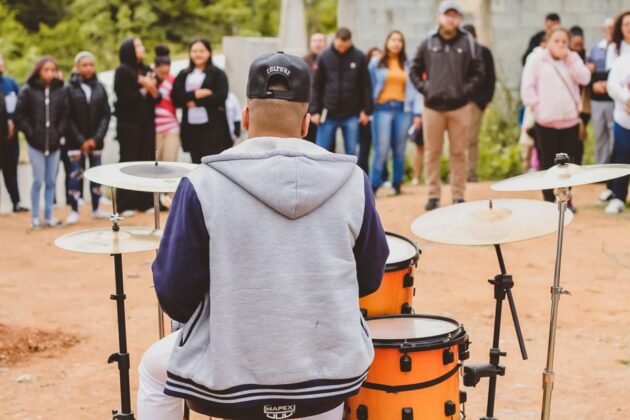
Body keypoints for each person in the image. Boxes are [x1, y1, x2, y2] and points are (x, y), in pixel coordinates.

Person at [136, 51, 389, 420]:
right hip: (327, 381)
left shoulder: (201, 183)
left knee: (152, 370)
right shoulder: (354, 182)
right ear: (306, 123)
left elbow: (174, 297)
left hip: (229, 383)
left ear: (246, 117)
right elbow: (369, 278)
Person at [410, 0, 485, 210]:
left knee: (458, 153)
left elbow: (479, 72)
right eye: (446, 15)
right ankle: (433, 195)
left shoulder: (467, 42)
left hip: (459, 107)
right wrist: (427, 89)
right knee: (432, 152)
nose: (450, 19)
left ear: (459, 19)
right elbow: (414, 69)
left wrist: (465, 91)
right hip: (432, 107)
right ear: (439, 17)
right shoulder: (428, 42)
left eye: (454, 15)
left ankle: (458, 196)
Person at [521, 27, 591, 207]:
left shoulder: (573, 59)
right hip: (545, 123)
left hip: (569, 122)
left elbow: (585, 78)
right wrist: (538, 108)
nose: (560, 45)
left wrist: (570, 60)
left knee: (568, 164)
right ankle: (548, 200)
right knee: (546, 162)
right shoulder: (537, 60)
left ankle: (566, 199)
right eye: (556, 41)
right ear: (548, 41)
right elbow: (527, 88)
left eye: (564, 42)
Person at [14, 56, 69, 228]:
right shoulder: (28, 90)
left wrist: (59, 132)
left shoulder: (60, 90)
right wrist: (31, 133)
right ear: (38, 71)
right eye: (46, 69)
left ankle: (49, 216)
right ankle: (36, 218)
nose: (50, 73)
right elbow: (19, 116)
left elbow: (65, 115)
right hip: (35, 145)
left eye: (53, 70)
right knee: (38, 181)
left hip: (54, 144)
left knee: (51, 181)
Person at [368, 31, 422, 196]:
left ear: (403, 44)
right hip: (382, 108)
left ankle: (396, 183)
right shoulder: (375, 63)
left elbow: (415, 89)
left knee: (399, 148)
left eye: (399, 40)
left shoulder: (408, 63)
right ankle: (373, 186)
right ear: (387, 42)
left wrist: (417, 112)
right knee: (381, 148)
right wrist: (369, 107)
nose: (396, 43)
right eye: (393, 39)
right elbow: (369, 85)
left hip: (403, 109)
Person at [63, 51, 111, 224]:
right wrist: (81, 140)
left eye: (91, 64)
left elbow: (106, 115)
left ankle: (97, 208)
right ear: (77, 67)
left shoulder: (100, 87)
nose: (88, 68)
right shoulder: (68, 88)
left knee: (96, 174)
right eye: (84, 65)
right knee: (75, 175)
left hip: (96, 142)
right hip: (75, 143)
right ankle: (74, 209)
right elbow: (66, 117)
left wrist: (95, 139)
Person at [114, 37, 159, 216]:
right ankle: (125, 204)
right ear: (129, 50)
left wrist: (150, 87)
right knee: (129, 160)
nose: (142, 48)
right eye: (138, 46)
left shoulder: (147, 70)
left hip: (147, 123)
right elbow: (124, 98)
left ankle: (145, 201)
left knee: (147, 160)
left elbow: (157, 98)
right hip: (128, 124)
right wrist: (144, 88)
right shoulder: (122, 71)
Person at [310, 27, 373, 156]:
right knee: (320, 151)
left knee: (351, 152)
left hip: (351, 113)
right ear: (334, 40)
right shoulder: (324, 56)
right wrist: (314, 110)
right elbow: (316, 85)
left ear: (350, 41)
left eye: (345, 46)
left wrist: (366, 110)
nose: (342, 49)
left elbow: (366, 85)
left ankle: (351, 176)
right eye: (340, 46)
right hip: (327, 113)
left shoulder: (359, 56)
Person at [172, 38, 232, 164]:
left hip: (213, 128)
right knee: (195, 163)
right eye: (194, 51)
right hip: (191, 127)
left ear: (209, 52)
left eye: (201, 51)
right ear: (190, 54)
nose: (198, 54)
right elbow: (176, 97)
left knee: (212, 163)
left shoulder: (218, 73)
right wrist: (196, 94)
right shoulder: (183, 74)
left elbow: (221, 96)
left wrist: (196, 102)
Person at [462, 24, 496, 182]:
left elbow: (490, 77)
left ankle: (471, 172)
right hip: (459, 103)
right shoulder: (459, 52)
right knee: (458, 140)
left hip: (476, 102)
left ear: (474, 36)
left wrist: (485, 100)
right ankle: (458, 172)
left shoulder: (483, 52)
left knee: (472, 139)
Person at [604, 45, 630, 213]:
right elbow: (612, 86)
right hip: (624, 119)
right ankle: (619, 197)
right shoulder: (621, 61)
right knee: (622, 158)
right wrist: (627, 100)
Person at [0, 54, 28, 212]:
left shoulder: (11, 84)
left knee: (11, 172)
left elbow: (22, 108)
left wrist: (13, 123)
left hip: (11, 138)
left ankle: (16, 203)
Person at [588, 18, 615, 170]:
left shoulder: (620, 49)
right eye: (608, 28)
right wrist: (594, 84)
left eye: (613, 27)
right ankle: (600, 167)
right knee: (599, 134)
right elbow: (589, 71)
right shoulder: (595, 49)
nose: (610, 30)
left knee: (613, 134)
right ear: (603, 30)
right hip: (597, 99)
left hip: (613, 100)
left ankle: (613, 167)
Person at [358, 47, 383, 175]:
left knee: (381, 147)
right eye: (373, 57)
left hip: (380, 112)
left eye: (379, 56)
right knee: (365, 147)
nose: (376, 59)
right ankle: (363, 175)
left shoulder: (383, 76)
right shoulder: (365, 75)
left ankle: (381, 176)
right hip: (367, 116)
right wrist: (365, 111)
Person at [153, 45, 180, 162]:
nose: (164, 76)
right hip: (154, 129)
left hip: (171, 128)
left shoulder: (173, 80)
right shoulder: (149, 80)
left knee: (170, 163)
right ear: (155, 68)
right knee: (155, 163)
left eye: (167, 72)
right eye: (161, 72)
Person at [569, 25, 590, 165]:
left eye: (580, 45)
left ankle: (578, 165)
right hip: (570, 107)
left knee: (579, 138)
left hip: (584, 106)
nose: (578, 47)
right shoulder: (567, 59)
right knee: (570, 138)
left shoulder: (587, 57)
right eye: (575, 45)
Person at [304, 32, 328, 145]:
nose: (318, 44)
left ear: (326, 43)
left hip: (327, 113)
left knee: (327, 149)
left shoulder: (331, 60)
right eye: (315, 41)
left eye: (321, 40)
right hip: (307, 112)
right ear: (310, 43)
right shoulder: (303, 62)